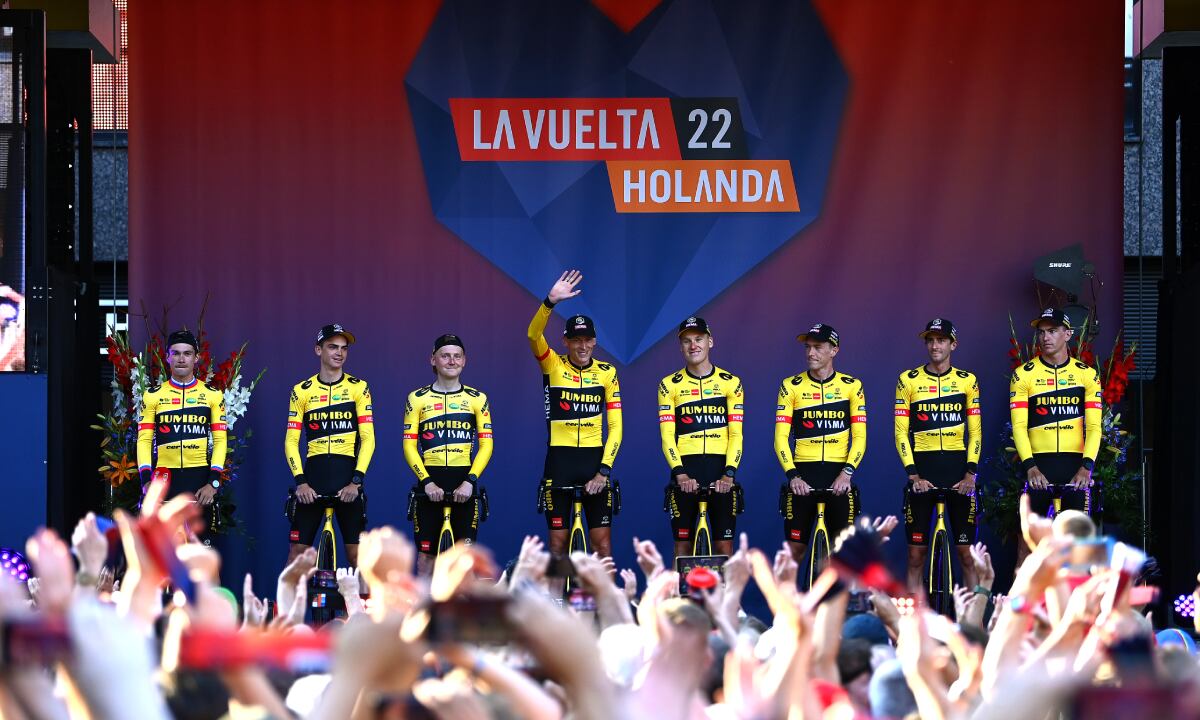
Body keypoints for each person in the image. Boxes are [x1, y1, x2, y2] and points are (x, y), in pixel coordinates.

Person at [527, 270, 622, 559]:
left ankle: (604, 603)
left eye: (587, 340)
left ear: (594, 342)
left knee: (602, 545)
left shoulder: (607, 373)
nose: (582, 346)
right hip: (559, 462)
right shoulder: (552, 365)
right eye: (576, 340)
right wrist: (549, 302)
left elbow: (615, 427)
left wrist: (603, 471)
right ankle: (557, 602)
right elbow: (533, 334)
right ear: (566, 341)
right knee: (557, 547)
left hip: (594, 461)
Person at [894, 318, 982, 591]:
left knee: (967, 556)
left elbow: (975, 433)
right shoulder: (908, 380)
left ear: (953, 345)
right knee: (915, 556)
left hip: (958, 473)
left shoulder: (968, 381)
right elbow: (900, 433)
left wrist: (970, 474)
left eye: (941, 340)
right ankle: (912, 625)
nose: (934, 345)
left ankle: (974, 623)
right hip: (922, 473)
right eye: (930, 340)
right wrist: (913, 475)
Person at [1009, 307, 1101, 563]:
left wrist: (1086, 468)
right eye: (1041, 332)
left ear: (1068, 334)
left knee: (1079, 553)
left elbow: (1094, 428)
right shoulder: (1023, 375)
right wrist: (1030, 467)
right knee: (1025, 549)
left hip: (1075, 469)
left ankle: (1076, 603)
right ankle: (1020, 604)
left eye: (1052, 331)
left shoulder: (1087, 375)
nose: (1045, 337)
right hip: (1038, 467)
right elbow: (1019, 426)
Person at [774, 323, 866, 566]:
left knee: (842, 557)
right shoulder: (790, 386)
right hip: (803, 475)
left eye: (817, 347)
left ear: (833, 350)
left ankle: (838, 603)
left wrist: (846, 474)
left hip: (839, 477)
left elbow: (860, 437)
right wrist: (793, 476)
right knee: (794, 552)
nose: (810, 353)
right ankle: (788, 604)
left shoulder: (852, 386)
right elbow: (780, 438)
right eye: (808, 347)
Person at [284, 324, 375, 566]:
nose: (339, 353)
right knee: (296, 556)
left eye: (344, 348)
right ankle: (284, 606)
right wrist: (301, 482)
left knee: (359, 559)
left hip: (347, 479)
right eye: (332, 347)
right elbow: (291, 441)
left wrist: (356, 481)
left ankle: (363, 605)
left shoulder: (359, 388)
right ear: (318, 350)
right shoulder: (301, 391)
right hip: (313, 480)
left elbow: (368, 439)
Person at [403, 334, 494, 575]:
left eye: (457, 356)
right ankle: (424, 612)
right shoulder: (417, 398)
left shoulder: (477, 399)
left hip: (464, 481)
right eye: (445, 356)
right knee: (425, 559)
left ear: (464, 361)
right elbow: (409, 446)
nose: (451, 361)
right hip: (429, 482)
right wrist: (427, 482)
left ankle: (462, 612)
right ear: (433, 360)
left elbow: (486, 445)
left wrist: (470, 481)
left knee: (465, 562)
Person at [657, 316, 744, 560]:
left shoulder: (732, 383)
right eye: (686, 341)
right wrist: (680, 473)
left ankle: (727, 599)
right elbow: (667, 436)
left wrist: (729, 474)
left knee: (724, 548)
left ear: (710, 342)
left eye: (698, 339)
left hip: (720, 471)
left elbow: (736, 434)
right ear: (681, 347)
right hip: (685, 470)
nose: (693, 345)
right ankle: (681, 598)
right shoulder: (668, 385)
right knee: (682, 549)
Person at [136, 329, 227, 528]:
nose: (181, 359)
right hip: (164, 480)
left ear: (196, 358)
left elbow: (220, 441)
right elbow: (143, 439)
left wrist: (213, 483)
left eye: (187, 353)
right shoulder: (152, 396)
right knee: (163, 555)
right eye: (175, 353)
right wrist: (145, 481)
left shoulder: (213, 395)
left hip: (199, 481)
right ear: (167, 357)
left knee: (198, 552)